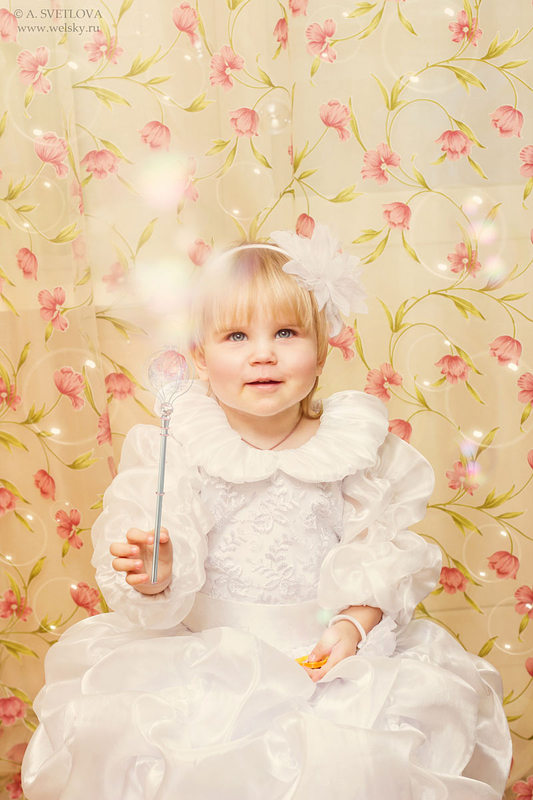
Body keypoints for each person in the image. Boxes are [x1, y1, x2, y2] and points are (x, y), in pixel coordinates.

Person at [21, 222, 512, 799]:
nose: (262, 353)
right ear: (199, 357)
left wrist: (353, 625)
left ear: (321, 351)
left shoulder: (354, 450)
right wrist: (155, 574)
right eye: (236, 335)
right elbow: (152, 568)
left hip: (323, 660)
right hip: (207, 663)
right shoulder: (177, 449)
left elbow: (381, 554)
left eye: (285, 332)